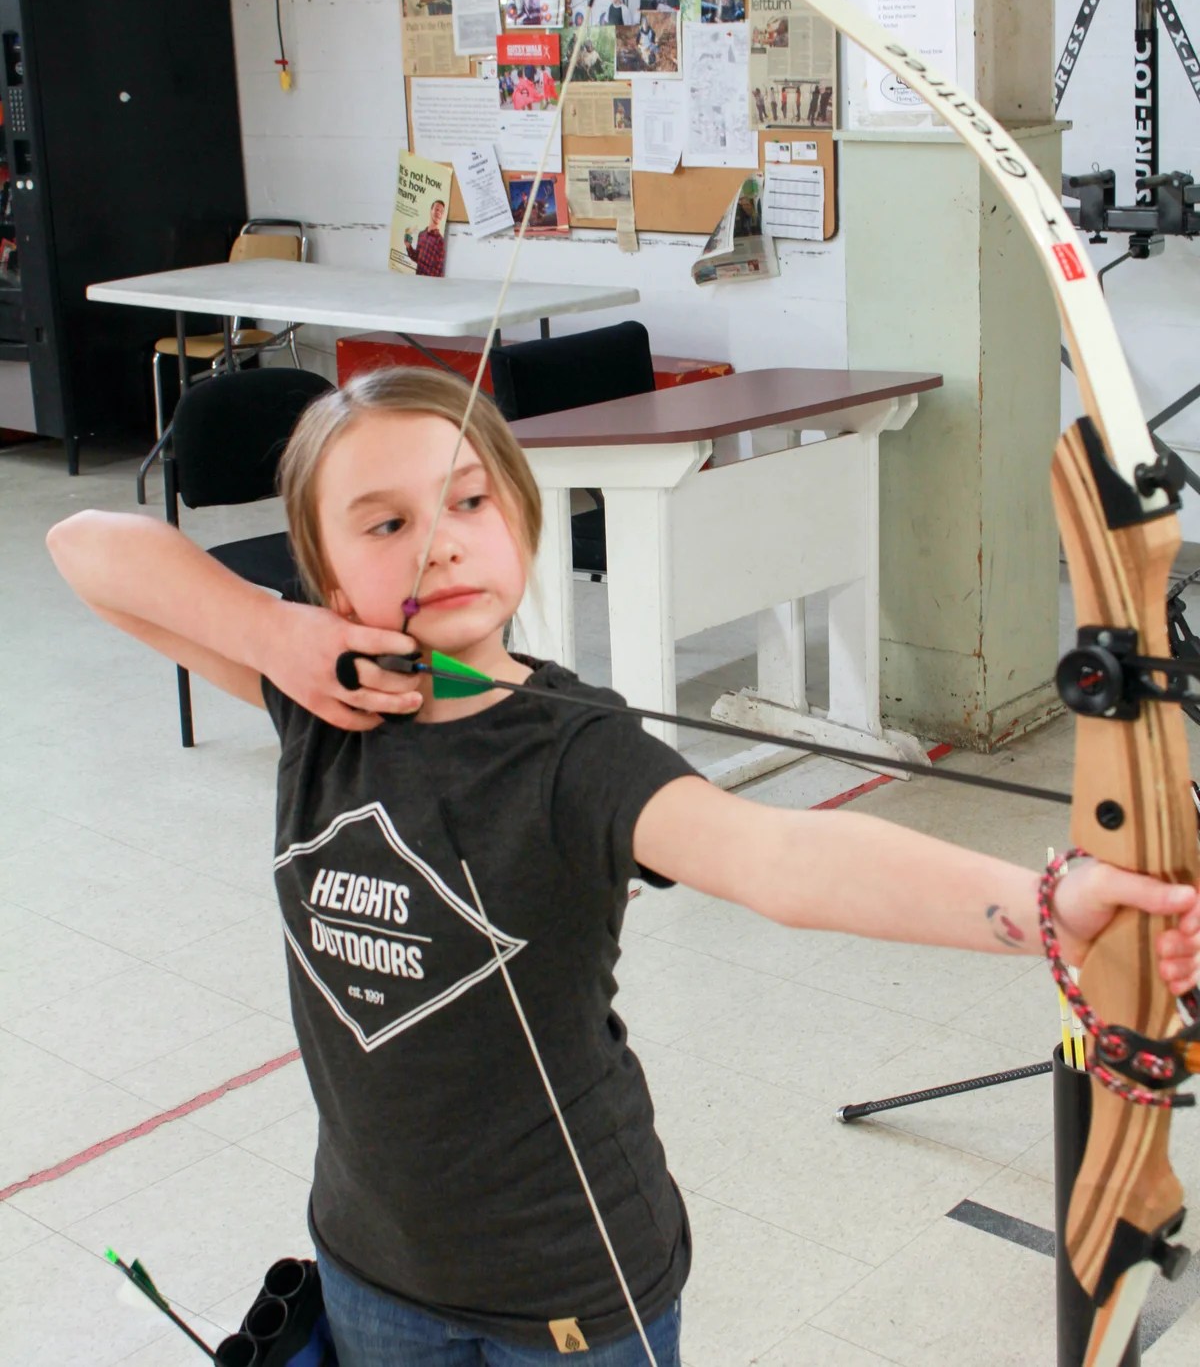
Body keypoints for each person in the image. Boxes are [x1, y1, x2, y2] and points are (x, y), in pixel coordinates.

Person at [46, 368, 1200, 1367]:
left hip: (569, 1287)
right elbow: (81, 548)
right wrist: (274, 634)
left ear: (523, 522)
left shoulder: (577, 751)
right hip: (368, 1263)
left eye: (467, 500)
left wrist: (1051, 905)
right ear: (327, 572)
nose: (439, 538)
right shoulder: (316, 700)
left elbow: (783, 859)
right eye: (383, 523)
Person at [404, 199, 446, 277]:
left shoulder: (441, 241)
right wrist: (408, 246)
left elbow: (440, 272)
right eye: (436, 209)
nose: (439, 213)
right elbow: (417, 258)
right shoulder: (421, 234)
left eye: (441, 212)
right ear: (431, 210)